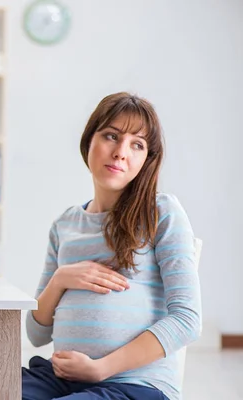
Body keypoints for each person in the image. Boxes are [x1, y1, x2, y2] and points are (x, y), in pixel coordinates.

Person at [22, 92, 201, 400]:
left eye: (137, 144)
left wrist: (101, 369)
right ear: (89, 141)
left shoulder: (162, 212)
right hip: (59, 378)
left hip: (135, 385)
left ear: (147, 160)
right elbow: (36, 334)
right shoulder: (64, 225)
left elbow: (188, 320)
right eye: (111, 136)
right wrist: (60, 279)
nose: (121, 152)